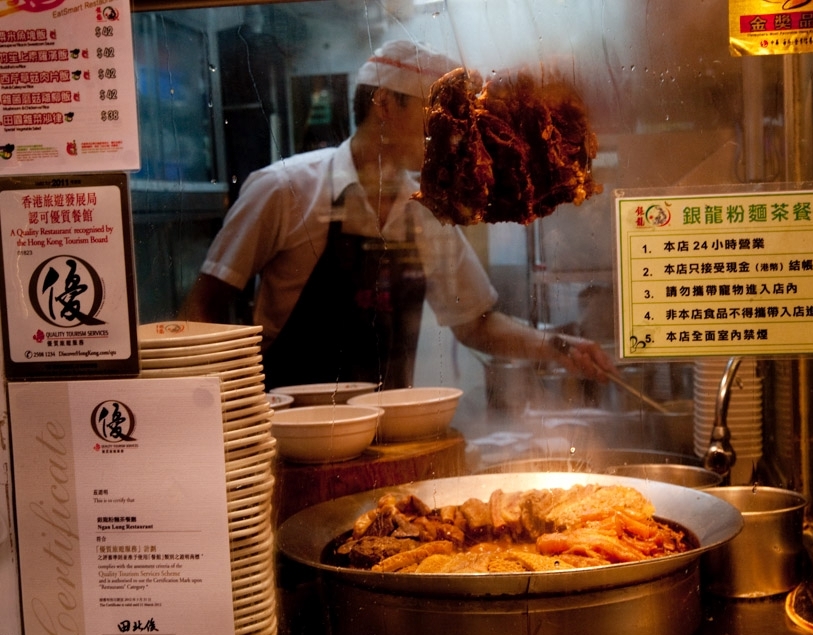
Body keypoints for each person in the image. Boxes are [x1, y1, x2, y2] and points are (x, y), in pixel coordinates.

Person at [180, 39, 613, 390]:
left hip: (388, 434)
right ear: (385, 103)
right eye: (434, 114)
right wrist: (226, 401)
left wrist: (557, 346)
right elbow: (203, 304)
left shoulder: (424, 209)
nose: (449, 133)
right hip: (289, 433)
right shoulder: (284, 189)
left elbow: (475, 324)